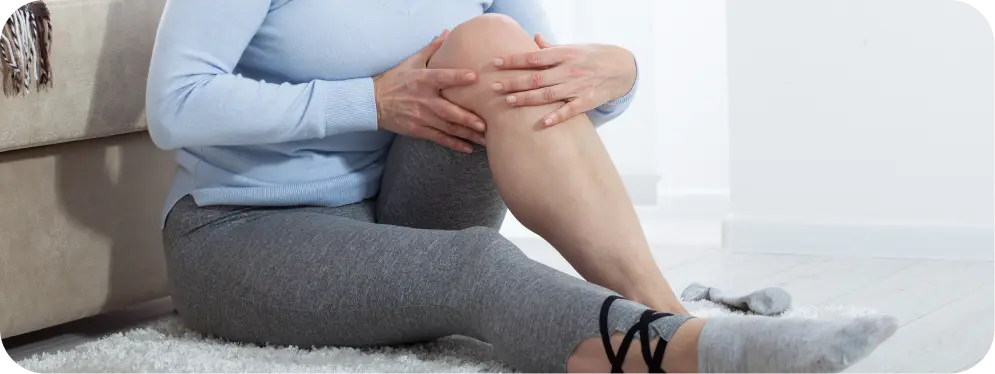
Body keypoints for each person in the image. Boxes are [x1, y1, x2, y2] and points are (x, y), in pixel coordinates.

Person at [146, 1, 898, 373]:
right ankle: (680, 353)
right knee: (477, 266)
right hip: (245, 232)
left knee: (493, 45)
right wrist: (369, 101)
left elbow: (542, 86)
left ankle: (662, 306)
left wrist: (619, 74)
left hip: (402, 205)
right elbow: (173, 105)